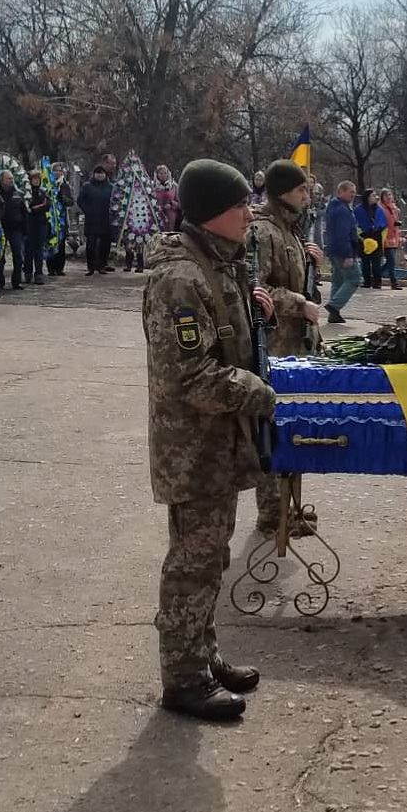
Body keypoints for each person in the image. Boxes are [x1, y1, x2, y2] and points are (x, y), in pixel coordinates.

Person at [141, 159, 278, 721]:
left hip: (218, 441)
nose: (249, 213)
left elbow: (228, 340)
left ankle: (203, 654)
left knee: (213, 554)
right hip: (193, 446)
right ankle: (183, 679)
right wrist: (261, 392)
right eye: (240, 204)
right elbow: (191, 378)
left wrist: (257, 312)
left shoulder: (219, 263)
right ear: (211, 212)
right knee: (192, 563)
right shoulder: (181, 279)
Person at [247, 159, 327, 552]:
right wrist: (299, 303)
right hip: (274, 346)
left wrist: (313, 263)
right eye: (301, 190)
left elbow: (302, 283)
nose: (307, 197)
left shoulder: (291, 230)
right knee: (273, 430)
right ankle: (271, 515)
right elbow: (255, 289)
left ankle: (289, 510)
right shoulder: (263, 231)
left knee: (293, 425)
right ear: (282, 193)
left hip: (295, 346)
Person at [321, 181, 362, 323]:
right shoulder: (342, 210)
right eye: (351, 192)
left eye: (354, 191)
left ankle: (334, 314)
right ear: (341, 192)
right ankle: (334, 306)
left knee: (338, 280)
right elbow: (343, 234)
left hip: (333, 250)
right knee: (354, 278)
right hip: (343, 251)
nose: (353, 195)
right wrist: (348, 255)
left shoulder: (333, 207)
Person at [78, 165, 115, 275]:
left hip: (106, 219)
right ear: (94, 174)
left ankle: (102, 265)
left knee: (105, 245)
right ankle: (90, 267)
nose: (100, 175)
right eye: (98, 173)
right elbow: (80, 201)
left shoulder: (111, 187)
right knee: (91, 245)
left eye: (102, 173)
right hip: (92, 219)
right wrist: (87, 210)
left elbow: (116, 201)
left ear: (105, 175)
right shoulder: (87, 186)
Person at [0, 168, 28, 291]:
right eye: (8, 178)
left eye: (12, 178)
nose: (11, 180)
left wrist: (25, 228)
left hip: (16, 229)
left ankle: (17, 281)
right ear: (2, 180)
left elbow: (24, 211)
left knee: (18, 256)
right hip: (1, 228)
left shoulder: (18, 194)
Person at [25, 169, 52, 285]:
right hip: (28, 224)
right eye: (34, 179)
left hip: (41, 223)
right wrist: (34, 208)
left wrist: (34, 209)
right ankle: (27, 272)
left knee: (39, 250)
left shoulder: (43, 191)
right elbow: (25, 206)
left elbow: (47, 205)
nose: (36, 181)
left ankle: (39, 273)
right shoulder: (26, 192)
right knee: (28, 249)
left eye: (37, 179)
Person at [357, 189, 386, 288]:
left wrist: (377, 228)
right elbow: (356, 223)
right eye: (373, 195)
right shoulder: (359, 209)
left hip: (376, 236)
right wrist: (363, 233)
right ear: (367, 197)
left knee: (376, 261)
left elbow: (383, 222)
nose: (376, 197)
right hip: (364, 237)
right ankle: (367, 281)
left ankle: (377, 282)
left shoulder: (379, 209)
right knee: (365, 261)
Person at [379, 187, 403, 289]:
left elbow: (395, 221)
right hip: (385, 237)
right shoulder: (380, 208)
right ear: (382, 197)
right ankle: (394, 282)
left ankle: (376, 274)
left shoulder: (394, 208)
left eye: (389, 195)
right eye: (386, 195)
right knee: (391, 260)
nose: (388, 197)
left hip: (394, 237)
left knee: (390, 262)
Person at [151, 163, 181, 234]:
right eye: (161, 173)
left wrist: (172, 204)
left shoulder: (173, 186)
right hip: (157, 215)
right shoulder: (152, 186)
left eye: (165, 173)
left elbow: (180, 203)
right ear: (157, 174)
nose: (163, 175)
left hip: (171, 216)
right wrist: (160, 207)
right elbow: (150, 200)